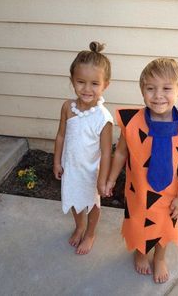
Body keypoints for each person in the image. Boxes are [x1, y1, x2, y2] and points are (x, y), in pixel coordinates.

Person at [105, 58, 178, 283]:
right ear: (142, 91)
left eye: (167, 88)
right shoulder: (132, 123)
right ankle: (141, 253)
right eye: (151, 88)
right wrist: (110, 179)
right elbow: (120, 153)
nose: (158, 95)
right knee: (139, 223)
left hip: (169, 192)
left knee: (165, 225)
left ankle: (159, 258)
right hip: (137, 189)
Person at [54, 41, 113, 255]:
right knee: (72, 198)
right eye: (81, 82)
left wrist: (102, 179)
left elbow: (107, 151)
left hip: (91, 171)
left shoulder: (103, 117)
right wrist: (57, 161)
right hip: (71, 167)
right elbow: (61, 135)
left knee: (92, 203)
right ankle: (79, 226)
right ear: (72, 81)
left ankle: (90, 232)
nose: (87, 89)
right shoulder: (67, 108)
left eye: (94, 84)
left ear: (105, 84)